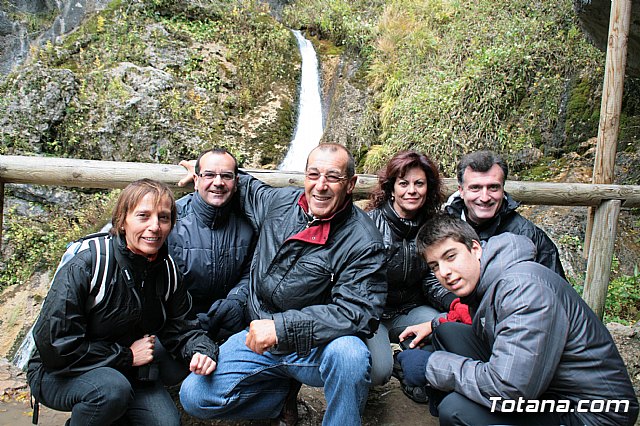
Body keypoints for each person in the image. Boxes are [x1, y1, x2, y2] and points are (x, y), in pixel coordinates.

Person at [179, 143, 388, 425]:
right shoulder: (279, 202)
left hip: (313, 345)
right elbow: (243, 183)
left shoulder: (363, 240)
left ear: (350, 184)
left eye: (333, 177)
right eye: (313, 175)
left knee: (351, 355)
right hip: (257, 334)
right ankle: (278, 399)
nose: (321, 186)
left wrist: (281, 328)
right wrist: (207, 170)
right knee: (194, 396)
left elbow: (358, 311)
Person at [396, 213, 639, 426]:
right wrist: (435, 325)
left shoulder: (523, 289)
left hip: (590, 411)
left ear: (475, 249)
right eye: (435, 266)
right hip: (548, 386)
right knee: (448, 332)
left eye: (451, 256)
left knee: (457, 410)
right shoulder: (492, 278)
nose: (444, 272)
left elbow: (510, 390)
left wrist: (430, 366)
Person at [27, 179, 218, 426]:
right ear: (122, 220)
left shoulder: (166, 269)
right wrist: (127, 356)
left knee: (166, 423)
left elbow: (182, 327)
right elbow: (55, 345)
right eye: (143, 216)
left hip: (124, 367)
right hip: (58, 370)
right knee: (109, 391)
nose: (155, 227)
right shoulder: (89, 263)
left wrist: (203, 350)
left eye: (163, 218)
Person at [364, 151, 465, 395]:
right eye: (404, 183)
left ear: (428, 189)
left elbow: (434, 277)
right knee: (378, 373)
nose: (412, 190)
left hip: (411, 308)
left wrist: (454, 304)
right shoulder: (368, 224)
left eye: (419, 183)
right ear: (391, 189)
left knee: (449, 332)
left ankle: (406, 366)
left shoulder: (432, 227)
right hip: (374, 315)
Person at [445, 150, 566, 278]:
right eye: (475, 188)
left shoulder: (529, 235)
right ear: (461, 191)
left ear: (503, 189)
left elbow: (553, 288)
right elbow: (431, 277)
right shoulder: (444, 228)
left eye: (493, 187)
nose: (485, 197)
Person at [167, 147, 254, 322]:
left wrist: (237, 300)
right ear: (196, 180)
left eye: (226, 176)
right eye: (209, 175)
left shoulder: (250, 222)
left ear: (237, 182)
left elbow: (251, 272)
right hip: (178, 323)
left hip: (231, 320)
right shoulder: (170, 220)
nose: (218, 182)